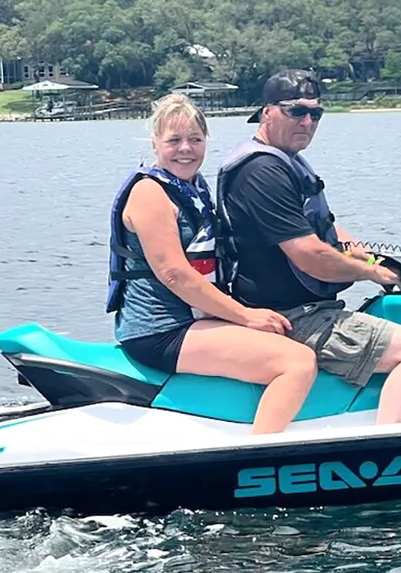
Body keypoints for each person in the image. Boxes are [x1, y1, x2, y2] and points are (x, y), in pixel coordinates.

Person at [215, 70, 401, 425]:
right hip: (290, 316)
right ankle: (388, 448)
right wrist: (370, 272)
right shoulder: (262, 171)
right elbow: (309, 256)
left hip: (309, 306)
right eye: (296, 111)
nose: (307, 121)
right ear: (266, 112)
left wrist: (369, 255)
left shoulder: (285, 158)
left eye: (315, 113)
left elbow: (326, 226)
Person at [106, 93, 317, 435]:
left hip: (191, 320)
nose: (185, 149)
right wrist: (246, 315)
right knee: (296, 362)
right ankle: (259, 456)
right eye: (174, 140)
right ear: (155, 143)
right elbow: (174, 274)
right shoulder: (150, 193)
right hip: (159, 329)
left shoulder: (193, 189)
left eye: (195, 139)